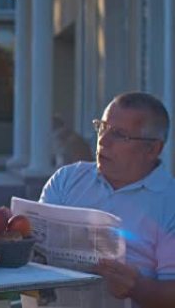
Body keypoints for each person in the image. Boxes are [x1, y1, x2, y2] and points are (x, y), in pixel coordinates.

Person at [39, 92, 175, 308]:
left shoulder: (170, 203)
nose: (103, 140)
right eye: (102, 127)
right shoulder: (66, 179)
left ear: (152, 149)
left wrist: (137, 288)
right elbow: (36, 250)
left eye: (119, 134)